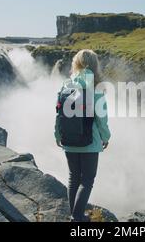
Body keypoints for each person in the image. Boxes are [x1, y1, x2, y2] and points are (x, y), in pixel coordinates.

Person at [54, 49, 111, 222]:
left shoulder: (66, 84)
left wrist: (58, 134)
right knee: (87, 179)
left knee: (73, 178)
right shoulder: (96, 86)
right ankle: (77, 216)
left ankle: (74, 214)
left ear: (76, 63)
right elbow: (101, 117)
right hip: (89, 140)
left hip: (69, 138)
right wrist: (105, 136)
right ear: (95, 65)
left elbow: (58, 112)